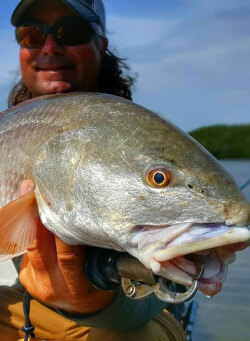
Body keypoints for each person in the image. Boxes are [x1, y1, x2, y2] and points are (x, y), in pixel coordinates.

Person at [0, 1, 186, 340]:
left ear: (101, 45)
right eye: (31, 34)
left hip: (133, 321)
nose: (50, 46)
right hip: (27, 306)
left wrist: (97, 304)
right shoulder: (10, 131)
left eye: (70, 31)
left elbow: (172, 284)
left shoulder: (144, 144)